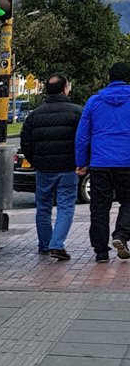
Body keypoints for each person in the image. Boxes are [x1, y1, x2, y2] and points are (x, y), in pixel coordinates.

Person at [20, 74, 82, 260]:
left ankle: (45, 244)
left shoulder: (34, 116)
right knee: (65, 207)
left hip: (44, 169)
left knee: (43, 207)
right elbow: (82, 140)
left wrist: (36, 161)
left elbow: (26, 143)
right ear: (65, 89)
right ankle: (57, 244)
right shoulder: (77, 112)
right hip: (68, 167)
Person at [76, 62, 130, 262]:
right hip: (127, 162)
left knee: (99, 207)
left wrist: (81, 161)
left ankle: (100, 251)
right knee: (129, 201)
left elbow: (82, 136)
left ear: (109, 78)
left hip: (100, 163)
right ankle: (121, 235)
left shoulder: (94, 101)